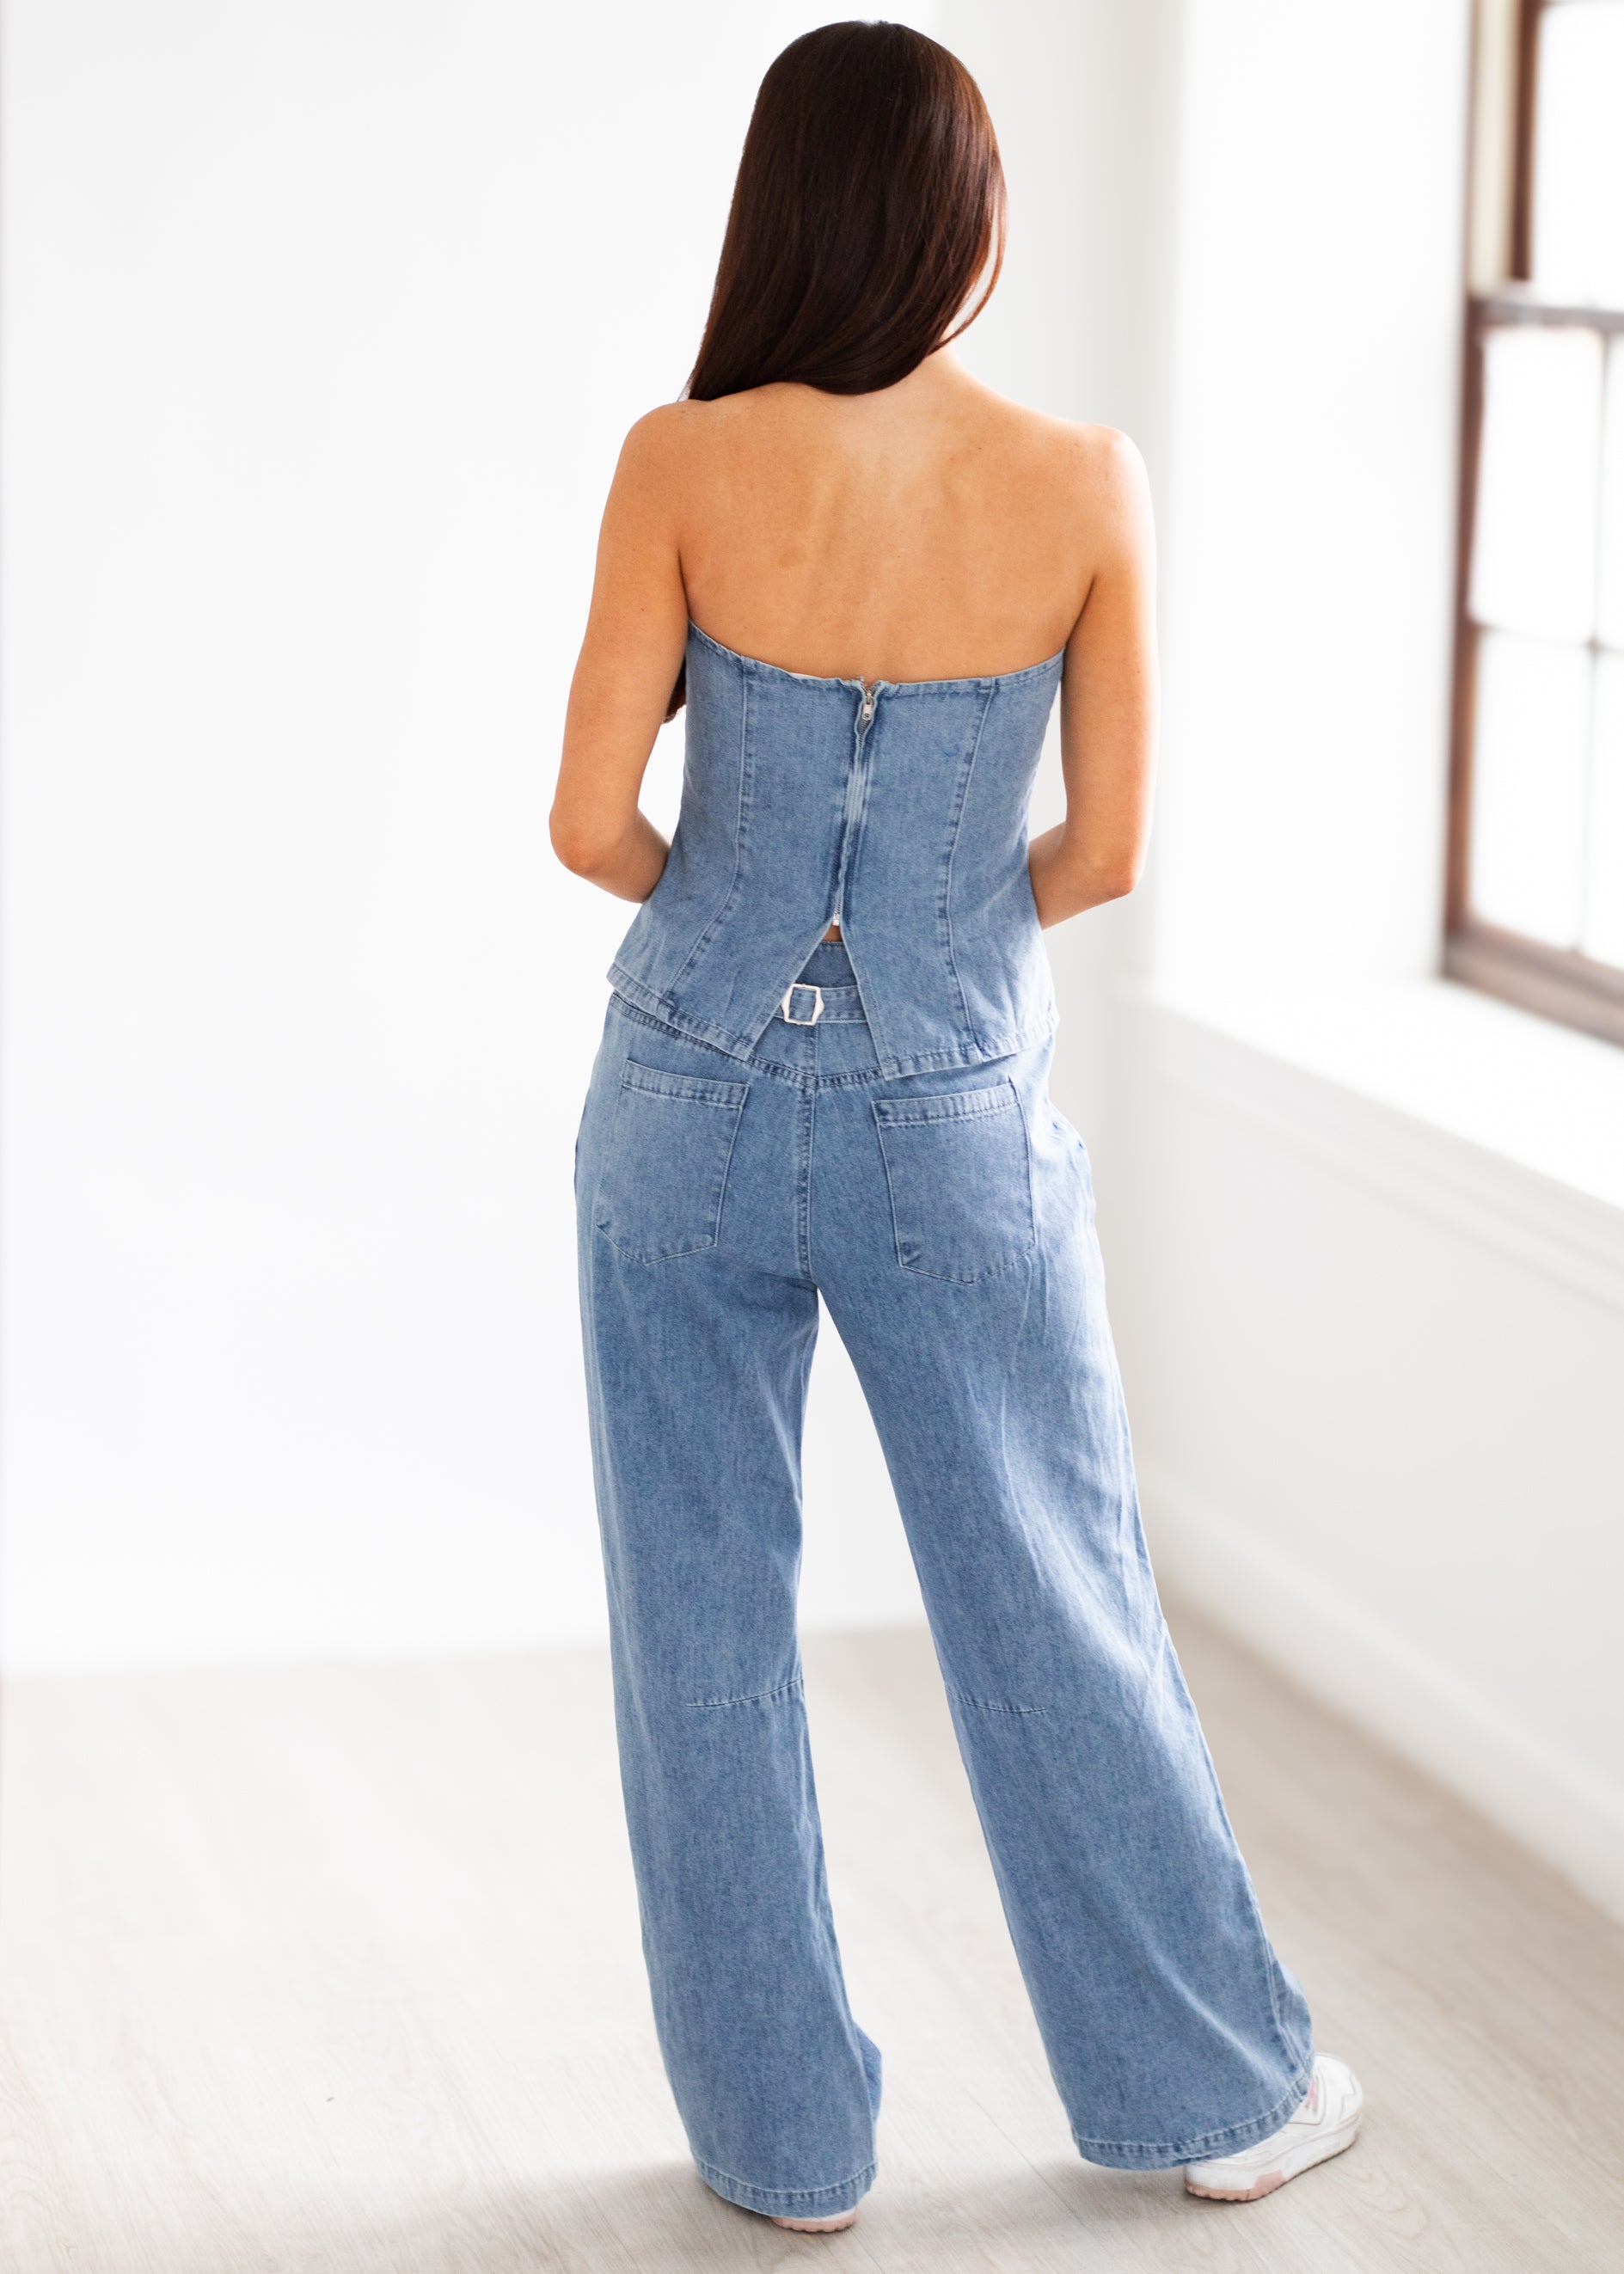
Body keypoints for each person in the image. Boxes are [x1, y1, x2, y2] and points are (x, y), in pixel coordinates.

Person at [551, 19, 1362, 2233]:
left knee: (697, 1627)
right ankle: (1216, 2097)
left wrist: (734, 934)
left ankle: (783, 2154)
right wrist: (936, 949)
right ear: (967, 221)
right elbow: (1105, 854)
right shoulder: (1083, 479)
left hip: (679, 1103)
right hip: (952, 1119)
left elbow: (588, 821)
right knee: (1054, 1597)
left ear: (782, 209)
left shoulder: (678, 460)